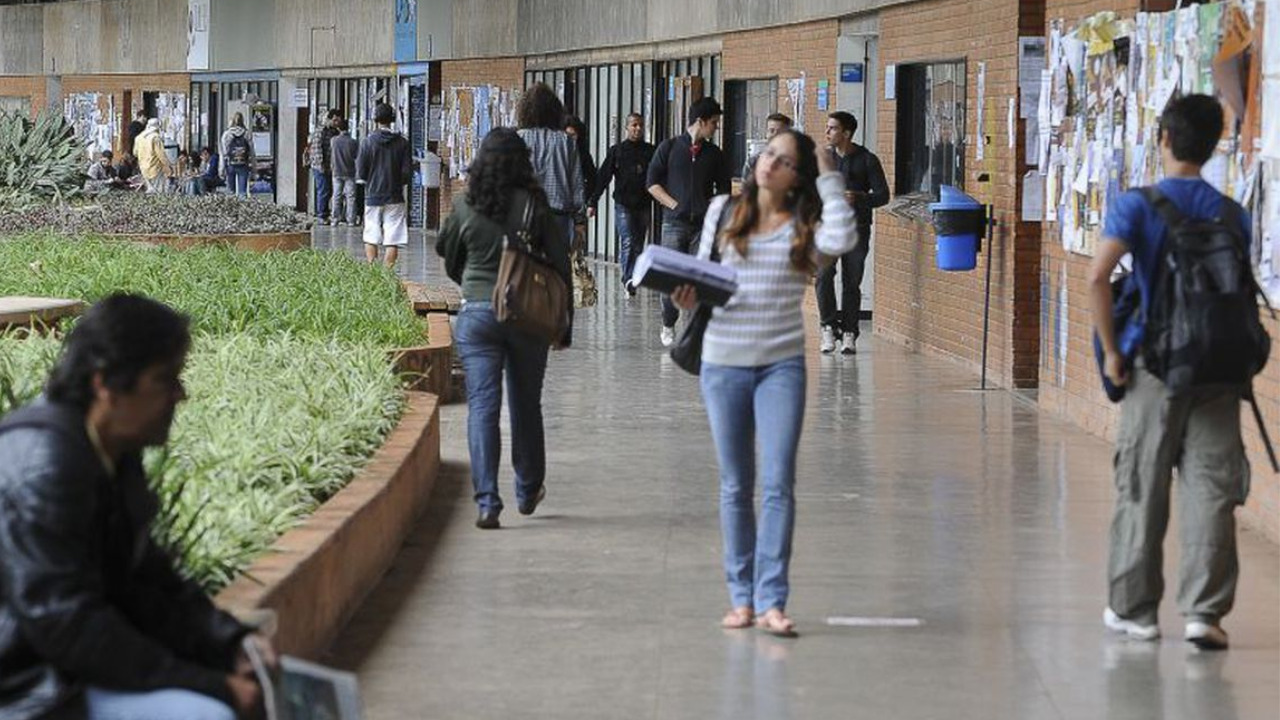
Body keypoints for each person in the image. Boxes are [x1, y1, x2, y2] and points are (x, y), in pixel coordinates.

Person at [0, 294, 277, 720]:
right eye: (166, 380)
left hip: (66, 667)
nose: (180, 395)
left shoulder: (110, 446)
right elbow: (65, 622)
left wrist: (229, 642)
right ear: (106, 383)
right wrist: (212, 685)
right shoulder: (44, 464)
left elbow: (146, 577)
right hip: (27, 686)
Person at [670, 129, 854, 637]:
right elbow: (702, 276)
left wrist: (831, 176)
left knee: (777, 484)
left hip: (781, 366)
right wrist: (688, 298)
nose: (769, 163)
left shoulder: (805, 225)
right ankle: (741, 598)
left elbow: (843, 240)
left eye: (784, 161)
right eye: (768, 154)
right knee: (735, 484)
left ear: (798, 178)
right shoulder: (722, 213)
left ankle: (772, 600)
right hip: (723, 361)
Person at [1087, 95, 1254, 651]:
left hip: (1155, 368)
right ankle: (1205, 613)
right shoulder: (1233, 212)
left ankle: (1135, 610)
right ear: (1213, 145)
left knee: (1142, 483)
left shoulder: (1138, 206)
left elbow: (1097, 278)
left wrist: (1112, 352)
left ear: (1163, 138)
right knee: (1211, 490)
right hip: (1219, 370)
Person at [436, 128, 573, 530]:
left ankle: (486, 502)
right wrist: (564, 321)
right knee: (526, 403)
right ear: (522, 162)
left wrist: (473, 287)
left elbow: (448, 253)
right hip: (526, 316)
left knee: (483, 406)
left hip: (477, 316)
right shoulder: (535, 205)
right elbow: (560, 264)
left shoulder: (465, 203)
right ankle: (528, 489)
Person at [647, 96, 731, 346]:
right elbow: (652, 183)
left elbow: (724, 189)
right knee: (671, 279)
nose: (716, 127)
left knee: (698, 279)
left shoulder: (714, 154)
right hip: (673, 224)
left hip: (703, 227)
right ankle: (668, 320)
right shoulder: (670, 147)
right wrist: (675, 204)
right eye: (714, 122)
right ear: (700, 121)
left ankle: (693, 332)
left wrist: (713, 209)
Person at [816, 111, 889, 355]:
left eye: (832, 128)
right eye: (827, 128)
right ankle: (827, 326)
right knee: (824, 275)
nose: (827, 132)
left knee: (851, 281)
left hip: (857, 228)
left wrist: (858, 197)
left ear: (846, 133)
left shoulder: (867, 160)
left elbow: (883, 195)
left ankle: (849, 332)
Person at [589, 112, 656, 297]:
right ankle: (628, 279)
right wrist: (593, 201)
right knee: (627, 240)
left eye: (640, 125)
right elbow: (603, 177)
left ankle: (632, 276)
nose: (637, 128)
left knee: (638, 243)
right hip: (623, 204)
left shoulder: (650, 151)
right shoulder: (617, 151)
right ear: (627, 127)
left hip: (643, 204)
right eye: (634, 125)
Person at [516, 83, 584, 251]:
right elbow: (577, 184)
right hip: (558, 218)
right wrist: (580, 222)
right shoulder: (566, 142)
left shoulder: (517, 139)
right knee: (554, 271)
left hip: (525, 215)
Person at [355, 102, 413, 268]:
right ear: (393, 119)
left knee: (371, 233)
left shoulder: (367, 142)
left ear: (375, 120)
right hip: (395, 195)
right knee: (393, 237)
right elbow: (407, 173)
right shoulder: (402, 143)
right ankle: (387, 273)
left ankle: (373, 270)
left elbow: (361, 173)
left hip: (372, 195)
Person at [304, 109, 342, 224]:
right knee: (323, 190)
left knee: (328, 190)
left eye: (338, 121)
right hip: (320, 166)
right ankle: (321, 215)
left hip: (330, 166)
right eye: (334, 120)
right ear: (329, 119)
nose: (336, 123)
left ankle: (324, 212)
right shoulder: (320, 131)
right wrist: (320, 165)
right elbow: (317, 149)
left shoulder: (335, 132)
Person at [741, 113, 792, 178]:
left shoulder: (796, 163)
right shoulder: (753, 162)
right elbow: (746, 187)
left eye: (780, 132)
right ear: (766, 133)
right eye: (771, 131)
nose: (775, 135)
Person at [330, 118, 359, 226]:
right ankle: (351, 220)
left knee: (337, 196)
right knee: (350, 197)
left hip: (337, 171)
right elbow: (357, 157)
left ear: (338, 128)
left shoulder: (333, 141)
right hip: (350, 172)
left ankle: (335, 219)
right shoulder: (353, 142)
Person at [220, 113, 255, 199]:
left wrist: (221, 168)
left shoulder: (226, 134)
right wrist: (254, 166)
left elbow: (223, 153)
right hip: (243, 164)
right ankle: (242, 209)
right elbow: (252, 152)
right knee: (242, 192)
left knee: (230, 191)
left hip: (230, 164)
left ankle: (231, 210)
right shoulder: (247, 134)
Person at [133, 118, 172, 195]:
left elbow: (135, 153)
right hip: (155, 168)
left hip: (143, 169)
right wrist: (168, 166)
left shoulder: (138, 138)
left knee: (149, 191)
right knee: (158, 191)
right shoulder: (155, 137)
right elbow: (161, 155)